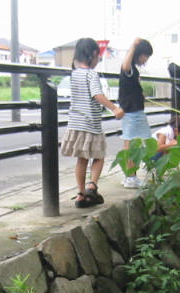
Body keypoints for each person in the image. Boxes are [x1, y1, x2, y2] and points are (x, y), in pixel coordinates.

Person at [61, 37, 124, 208]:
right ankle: (92, 186)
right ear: (94, 54)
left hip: (75, 123)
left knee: (81, 159)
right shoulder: (91, 74)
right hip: (90, 124)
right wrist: (115, 108)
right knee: (99, 156)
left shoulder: (73, 74)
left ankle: (81, 194)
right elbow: (97, 94)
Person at [118, 37, 153, 189]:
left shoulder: (133, 70)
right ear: (140, 53)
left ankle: (129, 176)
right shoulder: (129, 67)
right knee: (134, 144)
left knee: (130, 143)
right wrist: (133, 45)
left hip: (131, 111)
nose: (146, 59)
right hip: (133, 112)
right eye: (146, 56)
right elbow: (125, 65)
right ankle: (131, 177)